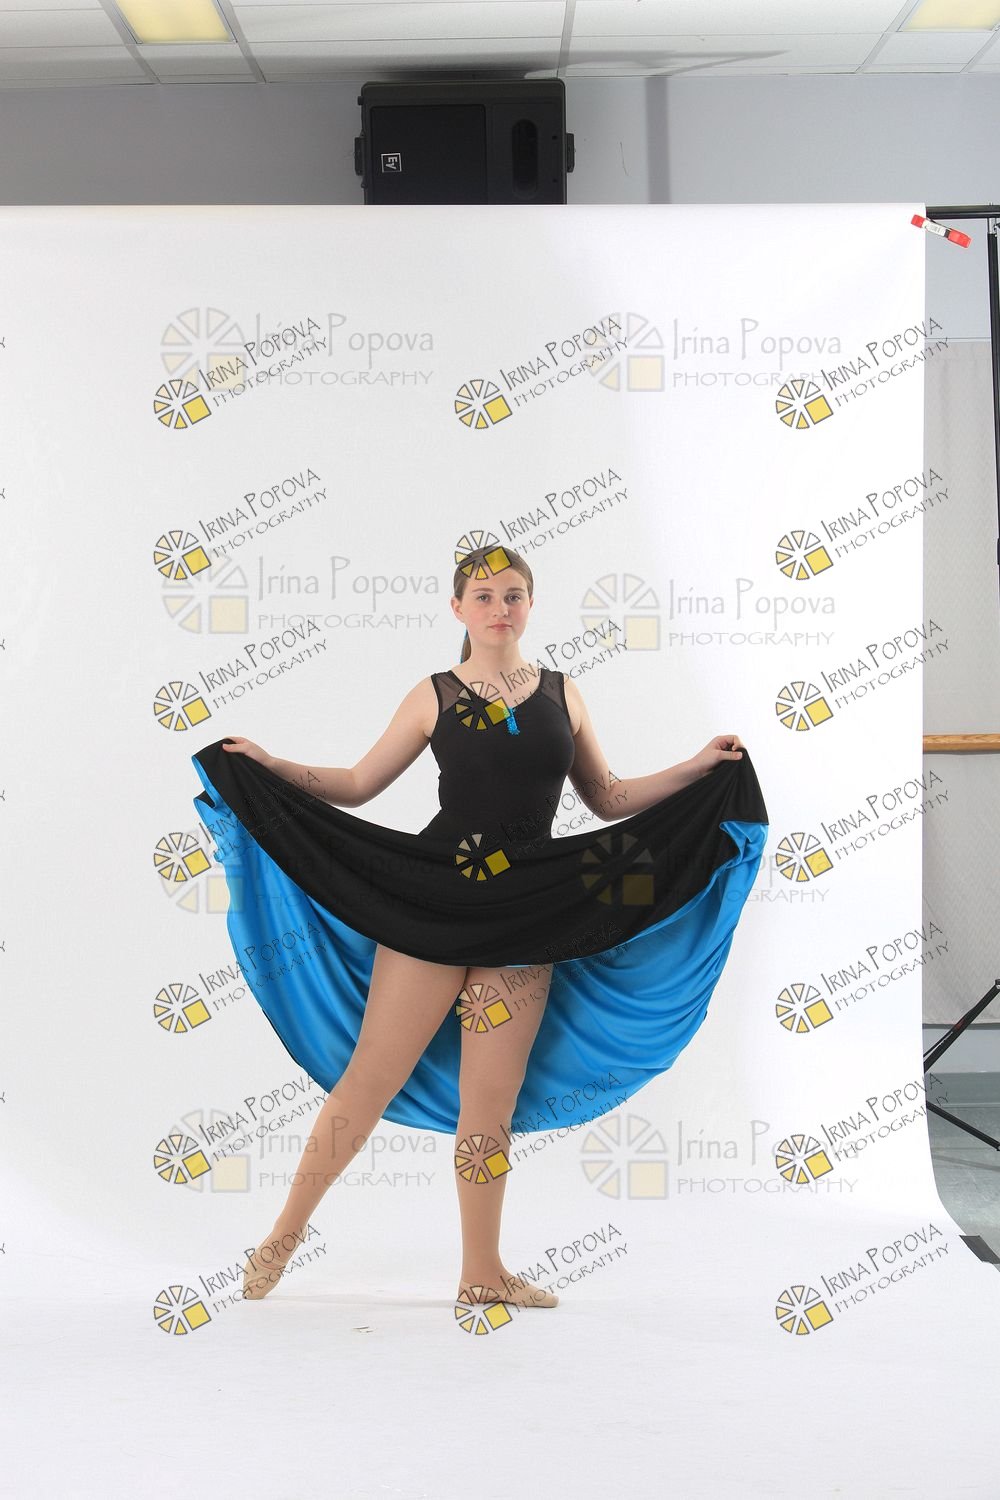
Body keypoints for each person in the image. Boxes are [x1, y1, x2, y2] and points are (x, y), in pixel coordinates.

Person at [191, 543, 767, 1310]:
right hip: (434, 901)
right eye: (485, 596)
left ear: (531, 605)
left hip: (529, 911)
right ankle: (282, 1238)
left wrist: (697, 767)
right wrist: (269, 764)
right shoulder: (433, 694)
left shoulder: (564, 693)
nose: (500, 608)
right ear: (458, 608)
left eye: (514, 594)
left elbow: (607, 796)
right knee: (370, 1079)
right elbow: (358, 785)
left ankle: (481, 1273)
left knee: (490, 1102)